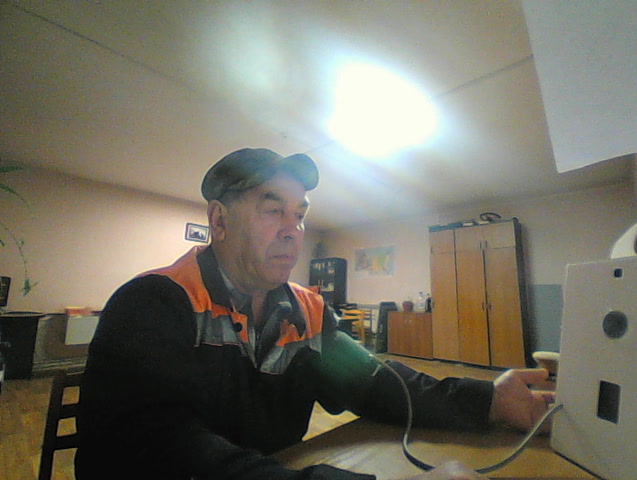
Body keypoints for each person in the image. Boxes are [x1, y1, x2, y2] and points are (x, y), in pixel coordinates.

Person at [75, 147, 553, 480]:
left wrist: (490, 400)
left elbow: (376, 383)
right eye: (273, 211)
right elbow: (168, 451)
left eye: (299, 214)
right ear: (219, 220)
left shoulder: (305, 311)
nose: (293, 230)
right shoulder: (153, 303)